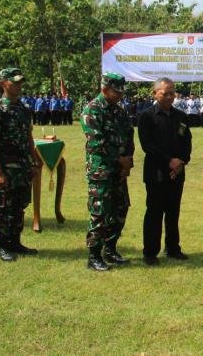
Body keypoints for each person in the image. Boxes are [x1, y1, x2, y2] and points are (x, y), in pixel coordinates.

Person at [0, 68, 42, 261]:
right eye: (14, 82)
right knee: (2, 207)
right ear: (3, 83)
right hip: (6, 167)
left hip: (22, 166)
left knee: (19, 205)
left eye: (20, 82)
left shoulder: (23, 108)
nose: (19, 85)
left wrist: (34, 160)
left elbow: (28, 136)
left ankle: (15, 243)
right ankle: (2, 246)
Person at [81, 73, 135, 272]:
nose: (119, 95)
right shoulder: (92, 110)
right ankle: (94, 256)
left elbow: (129, 136)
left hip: (119, 170)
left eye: (121, 92)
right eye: (116, 91)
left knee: (120, 208)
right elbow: (96, 142)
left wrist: (127, 161)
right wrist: (120, 159)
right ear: (104, 89)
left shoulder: (119, 111)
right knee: (100, 212)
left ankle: (110, 250)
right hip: (101, 170)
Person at [138, 77, 192, 265]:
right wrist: (169, 161)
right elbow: (147, 146)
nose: (170, 97)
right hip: (156, 173)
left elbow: (187, 143)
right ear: (155, 94)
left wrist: (181, 162)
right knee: (154, 213)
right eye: (165, 93)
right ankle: (150, 252)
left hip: (177, 173)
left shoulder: (181, 117)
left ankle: (173, 248)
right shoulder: (146, 116)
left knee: (173, 212)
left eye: (172, 93)